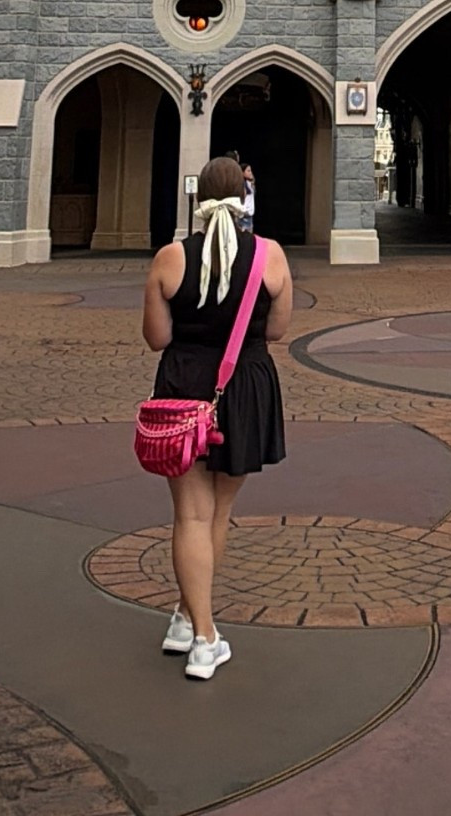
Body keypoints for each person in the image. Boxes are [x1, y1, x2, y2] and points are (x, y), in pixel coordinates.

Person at [142, 155, 291, 679]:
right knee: (218, 515)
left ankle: (190, 621)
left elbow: (157, 338)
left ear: (199, 201)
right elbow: (276, 331)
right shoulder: (270, 257)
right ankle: (203, 636)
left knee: (191, 516)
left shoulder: (169, 258)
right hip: (244, 389)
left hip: (184, 389)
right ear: (243, 198)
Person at [240, 164, 256, 233]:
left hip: (249, 215)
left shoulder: (249, 183)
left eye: (251, 170)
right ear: (243, 173)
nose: (250, 172)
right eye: (248, 171)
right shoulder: (242, 185)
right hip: (244, 215)